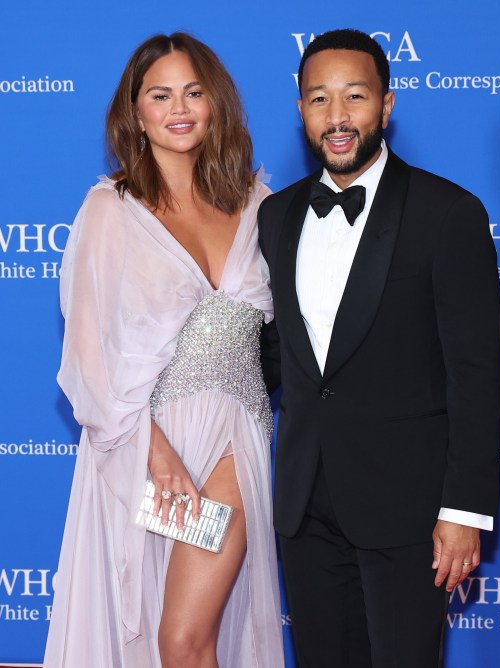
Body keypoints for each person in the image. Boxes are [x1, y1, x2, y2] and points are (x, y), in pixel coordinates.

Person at [258, 29, 500, 667]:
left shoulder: (448, 213)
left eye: (355, 97)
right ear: (301, 110)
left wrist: (464, 510)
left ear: (386, 106)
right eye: (318, 100)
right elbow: (283, 353)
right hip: (305, 503)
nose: (337, 118)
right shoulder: (277, 215)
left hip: (410, 509)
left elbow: (476, 372)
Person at [44, 32, 284, 668]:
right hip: (142, 446)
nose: (179, 109)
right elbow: (87, 357)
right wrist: (158, 453)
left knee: (184, 637)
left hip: (237, 438)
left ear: (216, 103)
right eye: (160, 95)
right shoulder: (109, 209)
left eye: (194, 92)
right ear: (136, 111)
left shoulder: (260, 204)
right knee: (149, 632)